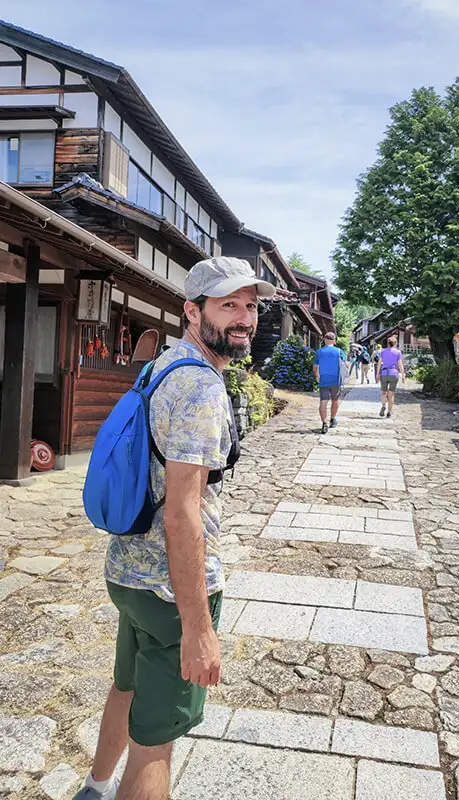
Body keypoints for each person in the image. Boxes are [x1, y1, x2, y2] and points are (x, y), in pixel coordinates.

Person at [73, 257, 276, 800]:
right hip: (170, 589)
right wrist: (199, 626)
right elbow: (182, 513)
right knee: (155, 742)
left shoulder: (164, 363)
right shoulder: (200, 387)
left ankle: (95, 788)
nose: (244, 318)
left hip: (129, 573)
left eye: (250, 306)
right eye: (228, 305)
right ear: (192, 310)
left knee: (127, 687)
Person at [313, 332, 347, 434]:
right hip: (336, 379)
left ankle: (324, 423)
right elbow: (346, 365)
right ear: (334, 341)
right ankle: (332, 419)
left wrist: (317, 376)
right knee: (335, 400)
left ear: (324, 340)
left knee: (323, 401)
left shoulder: (319, 352)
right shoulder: (339, 351)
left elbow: (315, 367)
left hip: (324, 379)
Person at [376, 336, 405, 418]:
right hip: (394, 373)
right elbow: (400, 365)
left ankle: (383, 405)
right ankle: (389, 411)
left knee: (383, 392)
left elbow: (379, 363)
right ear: (395, 343)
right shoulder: (398, 352)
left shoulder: (383, 351)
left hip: (384, 373)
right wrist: (403, 375)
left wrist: (377, 374)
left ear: (388, 343)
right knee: (391, 394)